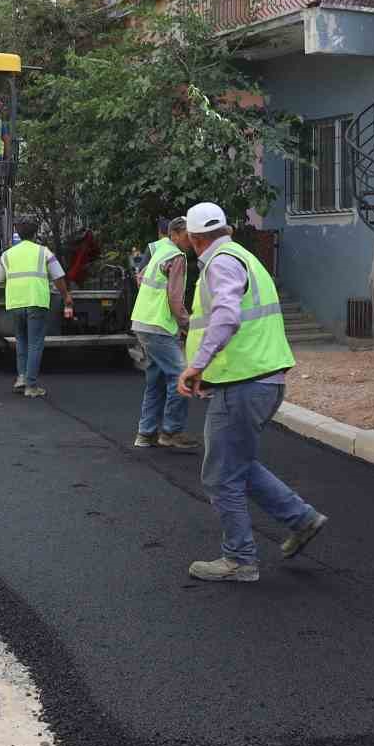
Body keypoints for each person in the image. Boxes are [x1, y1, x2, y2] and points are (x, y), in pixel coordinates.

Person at [176, 203, 327, 582]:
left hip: (242, 384)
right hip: (262, 379)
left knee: (221, 476)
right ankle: (302, 519)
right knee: (238, 463)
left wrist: (197, 365)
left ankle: (239, 560)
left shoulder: (220, 263)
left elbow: (227, 315)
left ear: (195, 239)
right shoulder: (243, 255)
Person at [131, 217, 197, 450]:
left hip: (144, 322)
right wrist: (186, 323)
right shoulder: (176, 256)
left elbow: (140, 277)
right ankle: (171, 431)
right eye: (188, 234)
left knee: (156, 379)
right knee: (182, 375)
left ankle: (146, 433)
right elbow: (175, 298)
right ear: (176, 234)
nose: (192, 239)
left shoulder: (160, 250)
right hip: (158, 325)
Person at [0, 219, 71, 398]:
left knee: (21, 340)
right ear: (35, 233)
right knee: (35, 344)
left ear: (18, 234)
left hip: (15, 302)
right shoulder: (43, 252)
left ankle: (22, 377)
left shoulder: (8, 254)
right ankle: (31, 385)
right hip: (36, 301)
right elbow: (58, 276)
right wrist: (66, 296)